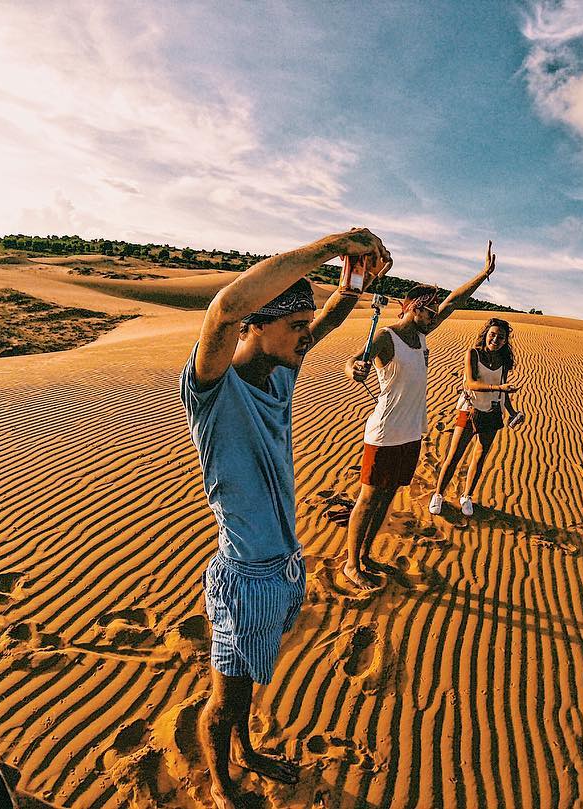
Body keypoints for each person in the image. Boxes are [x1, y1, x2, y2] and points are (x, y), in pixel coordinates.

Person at [180, 228, 390, 808]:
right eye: (296, 327)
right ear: (258, 325)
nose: (309, 336)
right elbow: (224, 309)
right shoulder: (212, 389)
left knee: (246, 691)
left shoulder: (281, 371)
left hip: (283, 569)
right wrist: (337, 242)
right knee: (224, 700)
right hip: (243, 576)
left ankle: (245, 751)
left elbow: (335, 312)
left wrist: (356, 277)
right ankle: (222, 783)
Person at [341, 241, 499, 590]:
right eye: (428, 312)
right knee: (367, 498)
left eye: (433, 313)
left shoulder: (422, 337)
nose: (433, 317)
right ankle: (352, 564)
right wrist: (356, 368)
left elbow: (454, 302)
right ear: (414, 308)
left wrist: (482, 275)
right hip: (385, 432)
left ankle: (366, 554)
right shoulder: (388, 336)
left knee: (386, 496)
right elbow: (354, 360)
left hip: (411, 431)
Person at [429, 318, 523, 517]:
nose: (495, 339)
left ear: (506, 341)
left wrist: (513, 412)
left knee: (479, 458)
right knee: (454, 456)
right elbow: (471, 383)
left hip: (493, 413)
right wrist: (498, 388)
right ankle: (438, 494)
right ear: (486, 334)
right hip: (470, 410)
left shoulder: (503, 362)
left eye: (500, 337)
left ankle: (467, 496)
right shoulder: (473, 354)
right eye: (493, 334)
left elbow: (503, 391)